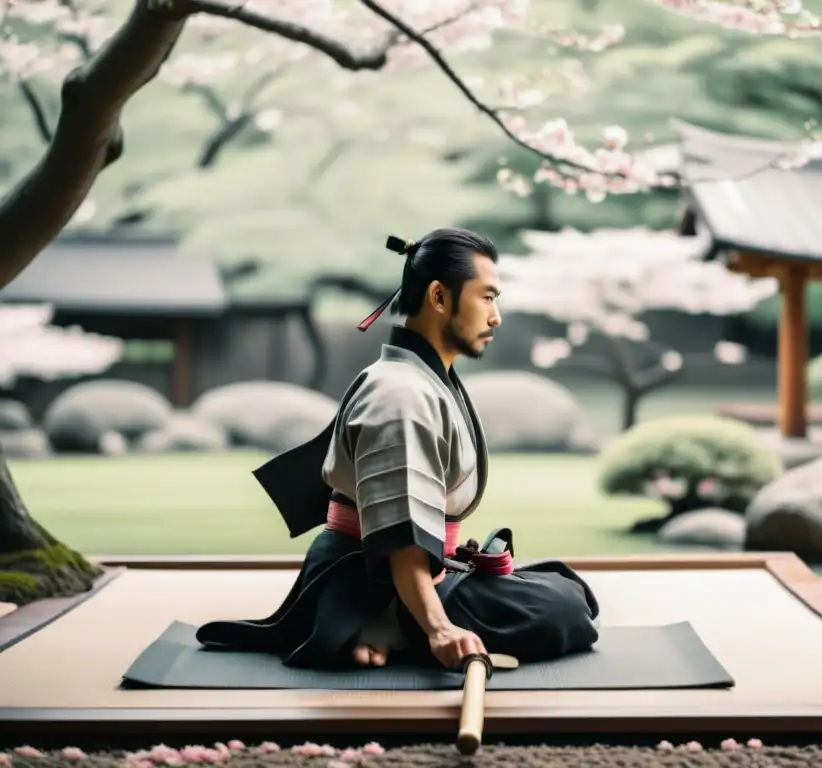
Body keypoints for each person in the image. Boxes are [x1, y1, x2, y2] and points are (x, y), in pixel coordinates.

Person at [195, 227, 599, 672]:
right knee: (559, 611)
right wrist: (439, 629)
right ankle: (382, 624)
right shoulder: (401, 395)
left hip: (400, 571)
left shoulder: (418, 379)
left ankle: (384, 625)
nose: (496, 316)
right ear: (440, 297)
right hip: (373, 580)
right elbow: (401, 533)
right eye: (486, 297)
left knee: (565, 586)